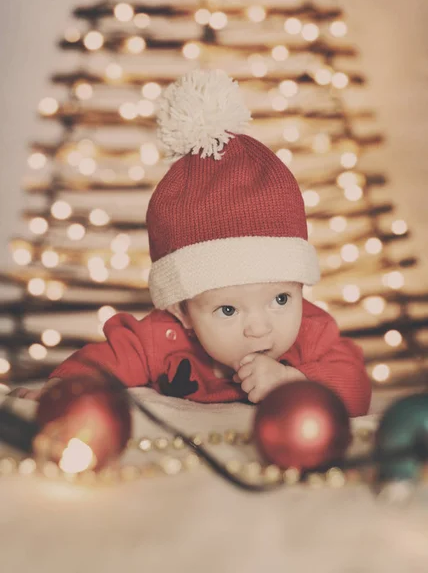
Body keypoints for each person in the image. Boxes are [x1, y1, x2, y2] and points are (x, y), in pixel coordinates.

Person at [12, 69, 371, 416]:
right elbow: (108, 360)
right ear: (181, 310)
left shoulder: (312, 333)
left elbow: (356, 387)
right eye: (228, 310)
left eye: (281, 298)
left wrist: (296, 382)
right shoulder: (165, 338)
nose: (260, 328)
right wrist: (64, 389)